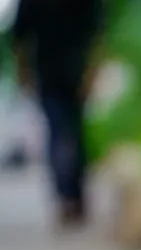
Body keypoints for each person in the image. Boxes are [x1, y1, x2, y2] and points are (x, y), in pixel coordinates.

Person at [11, 0, 105, 229]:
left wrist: (22, 70)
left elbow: (19, 37)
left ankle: (69, 195)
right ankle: (71, 195)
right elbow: (98, 34)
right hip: (63, 73)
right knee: (67, 131)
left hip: (61, 73)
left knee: (64, 132)